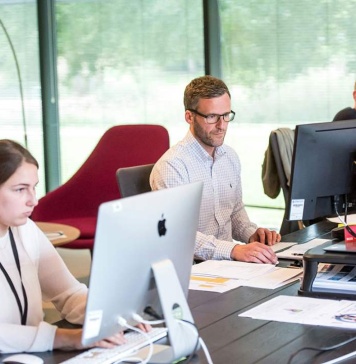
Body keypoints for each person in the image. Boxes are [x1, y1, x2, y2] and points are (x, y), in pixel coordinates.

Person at [0, 139, 149, 353]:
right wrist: (64, 338)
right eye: (20, 190)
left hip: (29, 355)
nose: (33, 200)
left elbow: (69, 293)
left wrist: (115, 317)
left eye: (34, 188)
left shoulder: (26, 230)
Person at [150, 75, 281, 264]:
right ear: (189, 116)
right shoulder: (172, 166)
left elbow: (234, 212)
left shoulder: (229, 157)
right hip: (194, 269)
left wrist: (252, 235)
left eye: (226, 115)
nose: (222, 126)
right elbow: (178, 234)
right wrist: (234, 250)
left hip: (228, 265)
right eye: (212, 117)